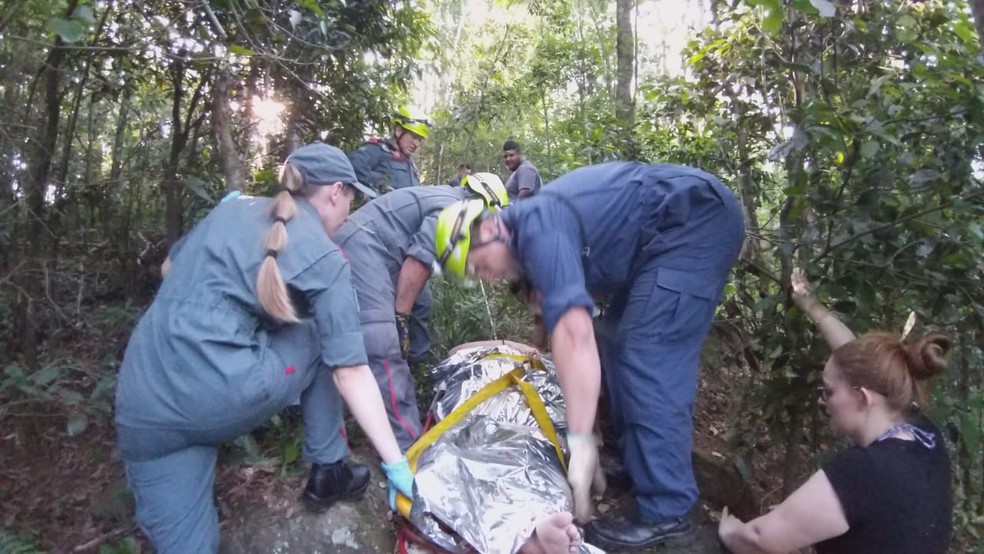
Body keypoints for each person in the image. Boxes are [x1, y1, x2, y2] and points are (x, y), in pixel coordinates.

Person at [114, 142, 416, 553]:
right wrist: (397, 464)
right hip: (218, 392)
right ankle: (329, 468)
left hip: (141, 401)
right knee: (315, 334)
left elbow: (170, 269)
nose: (349, 211)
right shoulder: (327, 257)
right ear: (335, 191)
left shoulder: (231, 208)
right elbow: (349, 371)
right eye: (352, 198)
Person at [433, 161, 746, 550]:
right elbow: (563, 329)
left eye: (480, 266)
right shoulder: (531, 239)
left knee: (646, 351)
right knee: (614, 341)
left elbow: (574, 332)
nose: (490, 278)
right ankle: (643, 468)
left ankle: (669, 510)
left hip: (696, 221)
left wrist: (581, 439)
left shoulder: (537, 226)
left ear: (489, 229)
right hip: (662, 241)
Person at [717, 269, 953, 553]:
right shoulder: (922, 431)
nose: (821, 401)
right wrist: (809, 303)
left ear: (863, 398)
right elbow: (854, 357)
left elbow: (757, 540)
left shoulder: (864, 471)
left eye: (827, 392)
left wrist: (729, 530)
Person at [332, 173, 510, 452]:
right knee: (382, 341)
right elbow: (418, 263)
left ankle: (405, 383)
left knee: (421, 304)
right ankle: (407, 448)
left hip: (379, 251)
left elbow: (422, 274)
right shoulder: (456, 209)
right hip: (363, 249)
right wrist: (399, 320)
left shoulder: (451, 202)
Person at [347, 107, 430, 195]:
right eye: (414, 137)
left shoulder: (411, 165)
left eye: (420, 140)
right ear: (399, 131)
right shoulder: (379, 150)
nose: (416, 143)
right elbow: (351, 165)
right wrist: (378, 183)